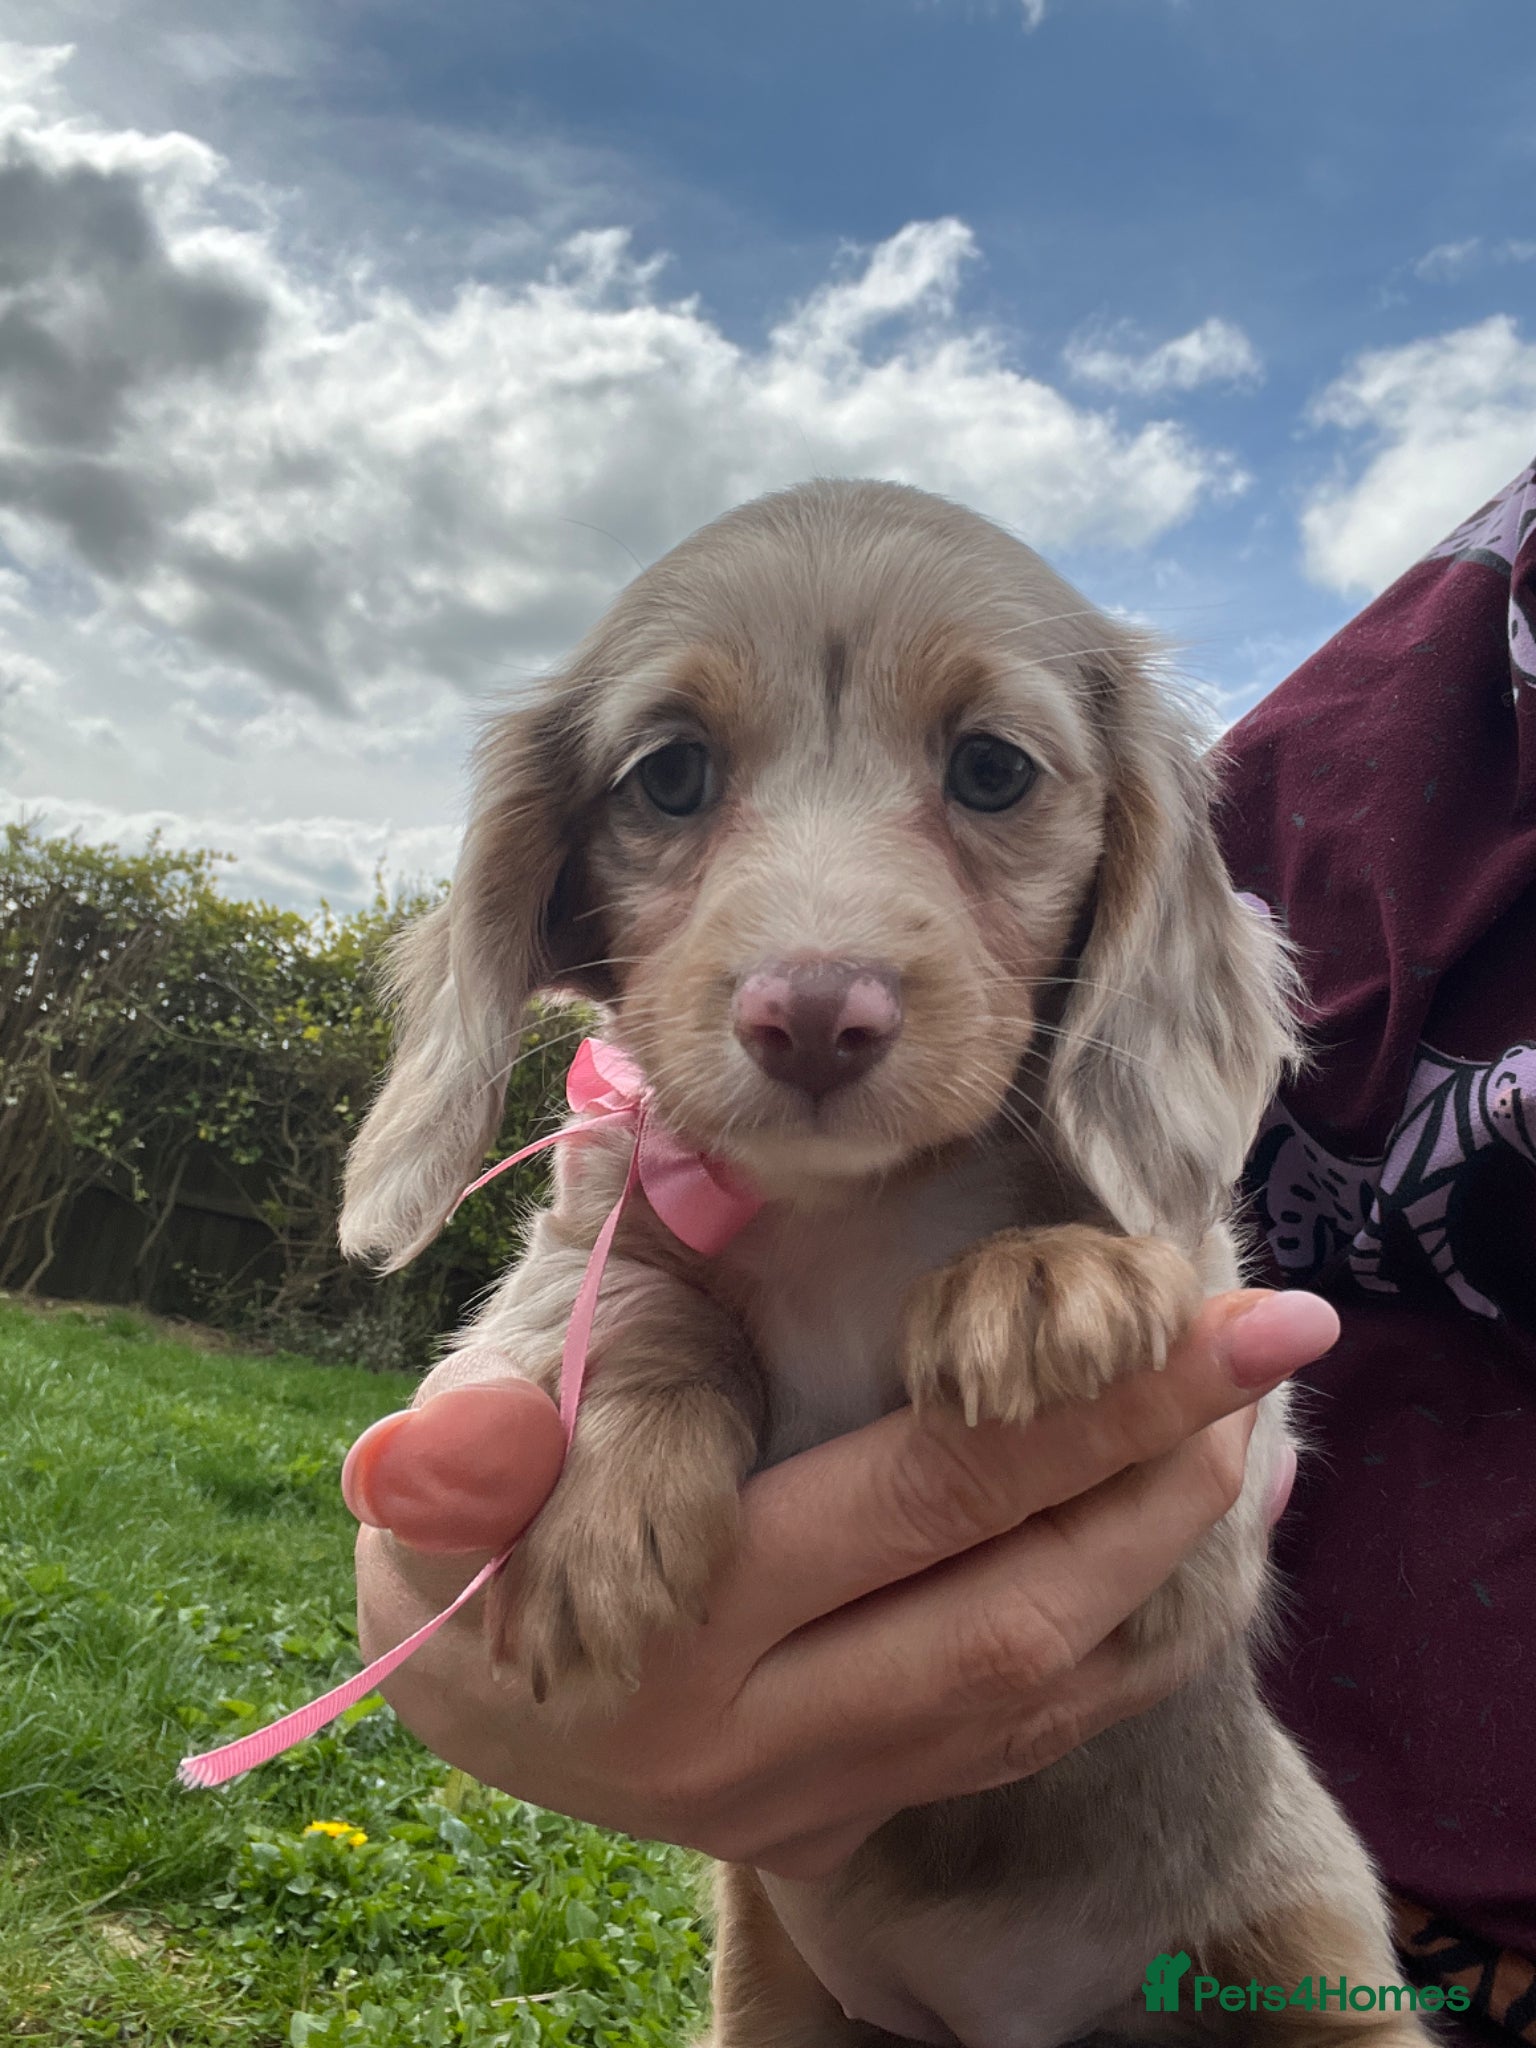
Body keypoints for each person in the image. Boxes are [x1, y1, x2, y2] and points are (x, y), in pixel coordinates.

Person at [348, 460, 1536, 2043]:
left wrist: (1127, 1285)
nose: (814, 975)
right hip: (838, 1960)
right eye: (673, 779)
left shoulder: (1103, 1142)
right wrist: (628, 1368)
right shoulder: (1396, 724)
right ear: (549, 876)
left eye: (989, 773)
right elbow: (536, 1361)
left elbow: (1201, 1486)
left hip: (1249, 1936)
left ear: (1121, 863)